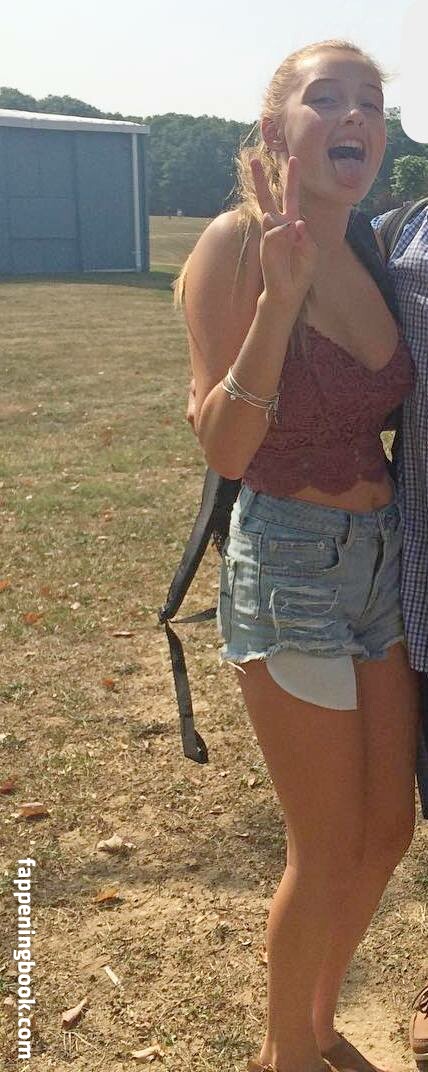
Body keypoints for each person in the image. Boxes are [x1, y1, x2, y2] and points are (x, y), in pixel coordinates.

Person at [176, 39, 420, 1072]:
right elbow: (224, 447)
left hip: (380, 559)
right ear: (279, 127)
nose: (355, 115)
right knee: (322, 848)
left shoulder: (368, 243)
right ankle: (284, 1057)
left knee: (387, 830)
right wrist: (278, 301)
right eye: (327, 98)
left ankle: (316, 1028)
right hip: (287, 563)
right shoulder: (236, 243)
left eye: (370, 100)